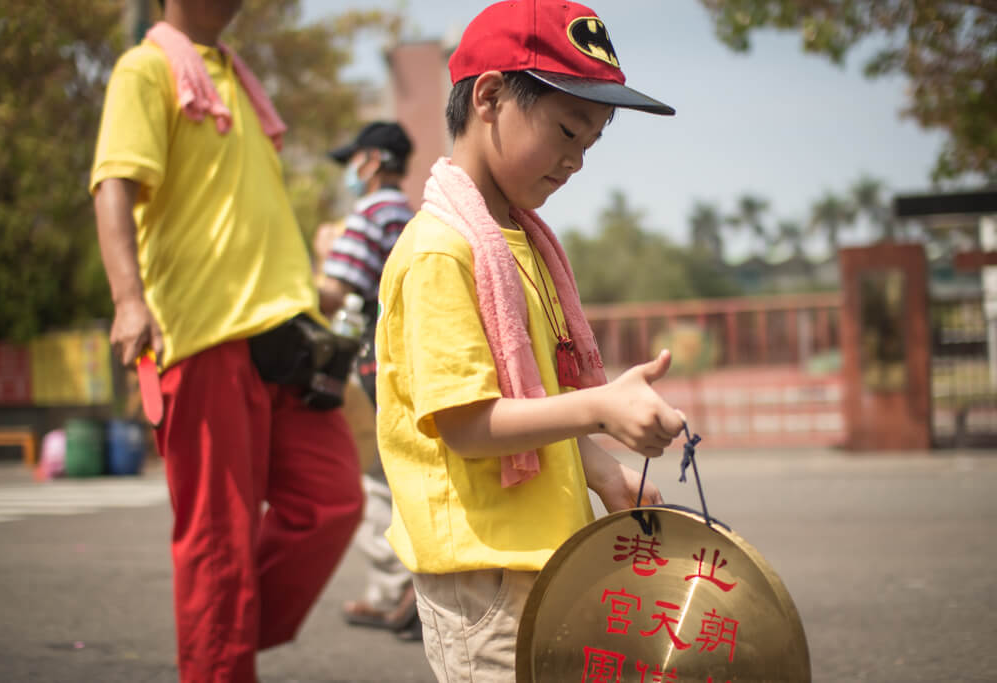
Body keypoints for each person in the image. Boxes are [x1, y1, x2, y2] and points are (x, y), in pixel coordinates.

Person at [374, 1, 686, 680]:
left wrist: (600, 467)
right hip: (484, 573)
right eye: (567, 130)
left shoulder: (519, 242)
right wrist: (600, 406)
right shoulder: (441, 251)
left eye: (591, 142)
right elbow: (468, 422)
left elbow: (533, 398)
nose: (576, 159)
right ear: (489, 96)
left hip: (543, 559)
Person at [89, 1, 363, 681]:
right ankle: (218, 649)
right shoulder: (146, 68)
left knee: (333, 501)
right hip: (203, 338)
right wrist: (129, 300)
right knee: (219, 544)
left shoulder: (234, 78)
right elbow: (113, 183)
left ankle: (218, 638)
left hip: (286, 337)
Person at [319, 122, 421, 639]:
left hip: (374, 363)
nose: (351, 173)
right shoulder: (414, 214)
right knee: (409, 472)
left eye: (354, 161)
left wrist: (316, 262)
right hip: (416, 362)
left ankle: (398, 590)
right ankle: (410, 589)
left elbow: (334, 293)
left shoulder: (368, 215)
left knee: (374, 479)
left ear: (374, 160)